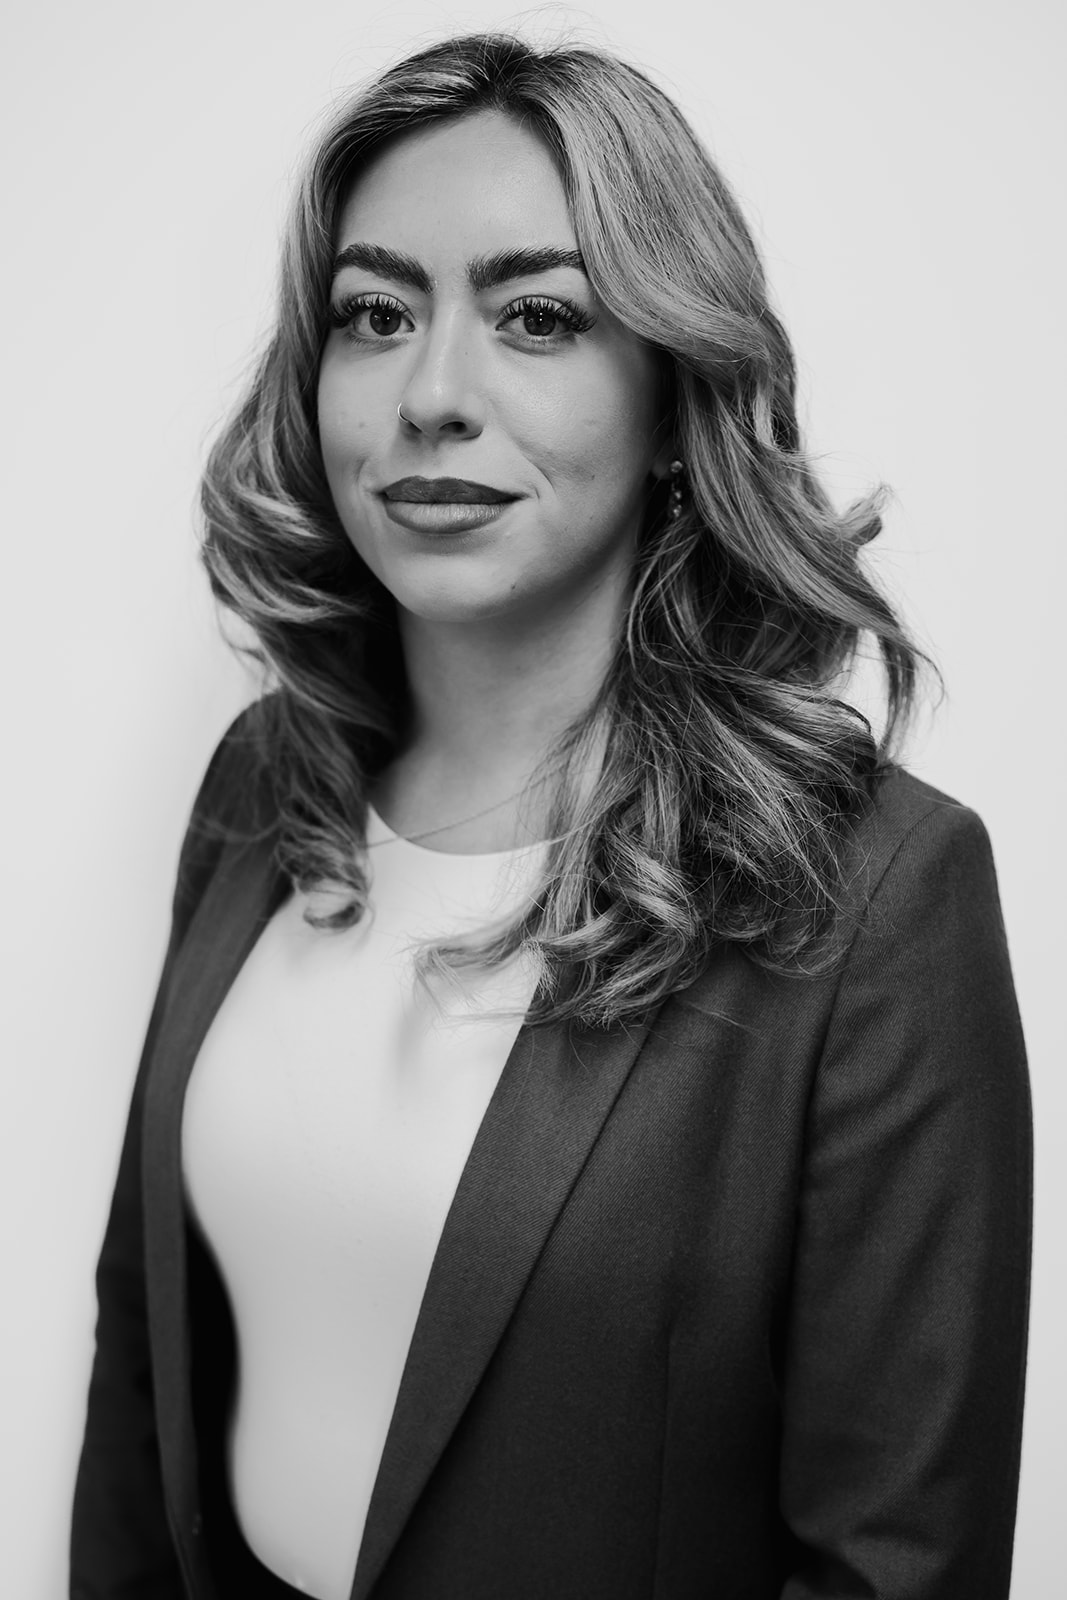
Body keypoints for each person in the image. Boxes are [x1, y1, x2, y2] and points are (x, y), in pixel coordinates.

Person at [69, 31, 1031, 1600]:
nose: (434, 394)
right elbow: (144, 1354)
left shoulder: (872, 893)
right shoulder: (268, 784)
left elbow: (893, 1560)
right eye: (375, 314)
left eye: (538, 315)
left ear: (673, 395)